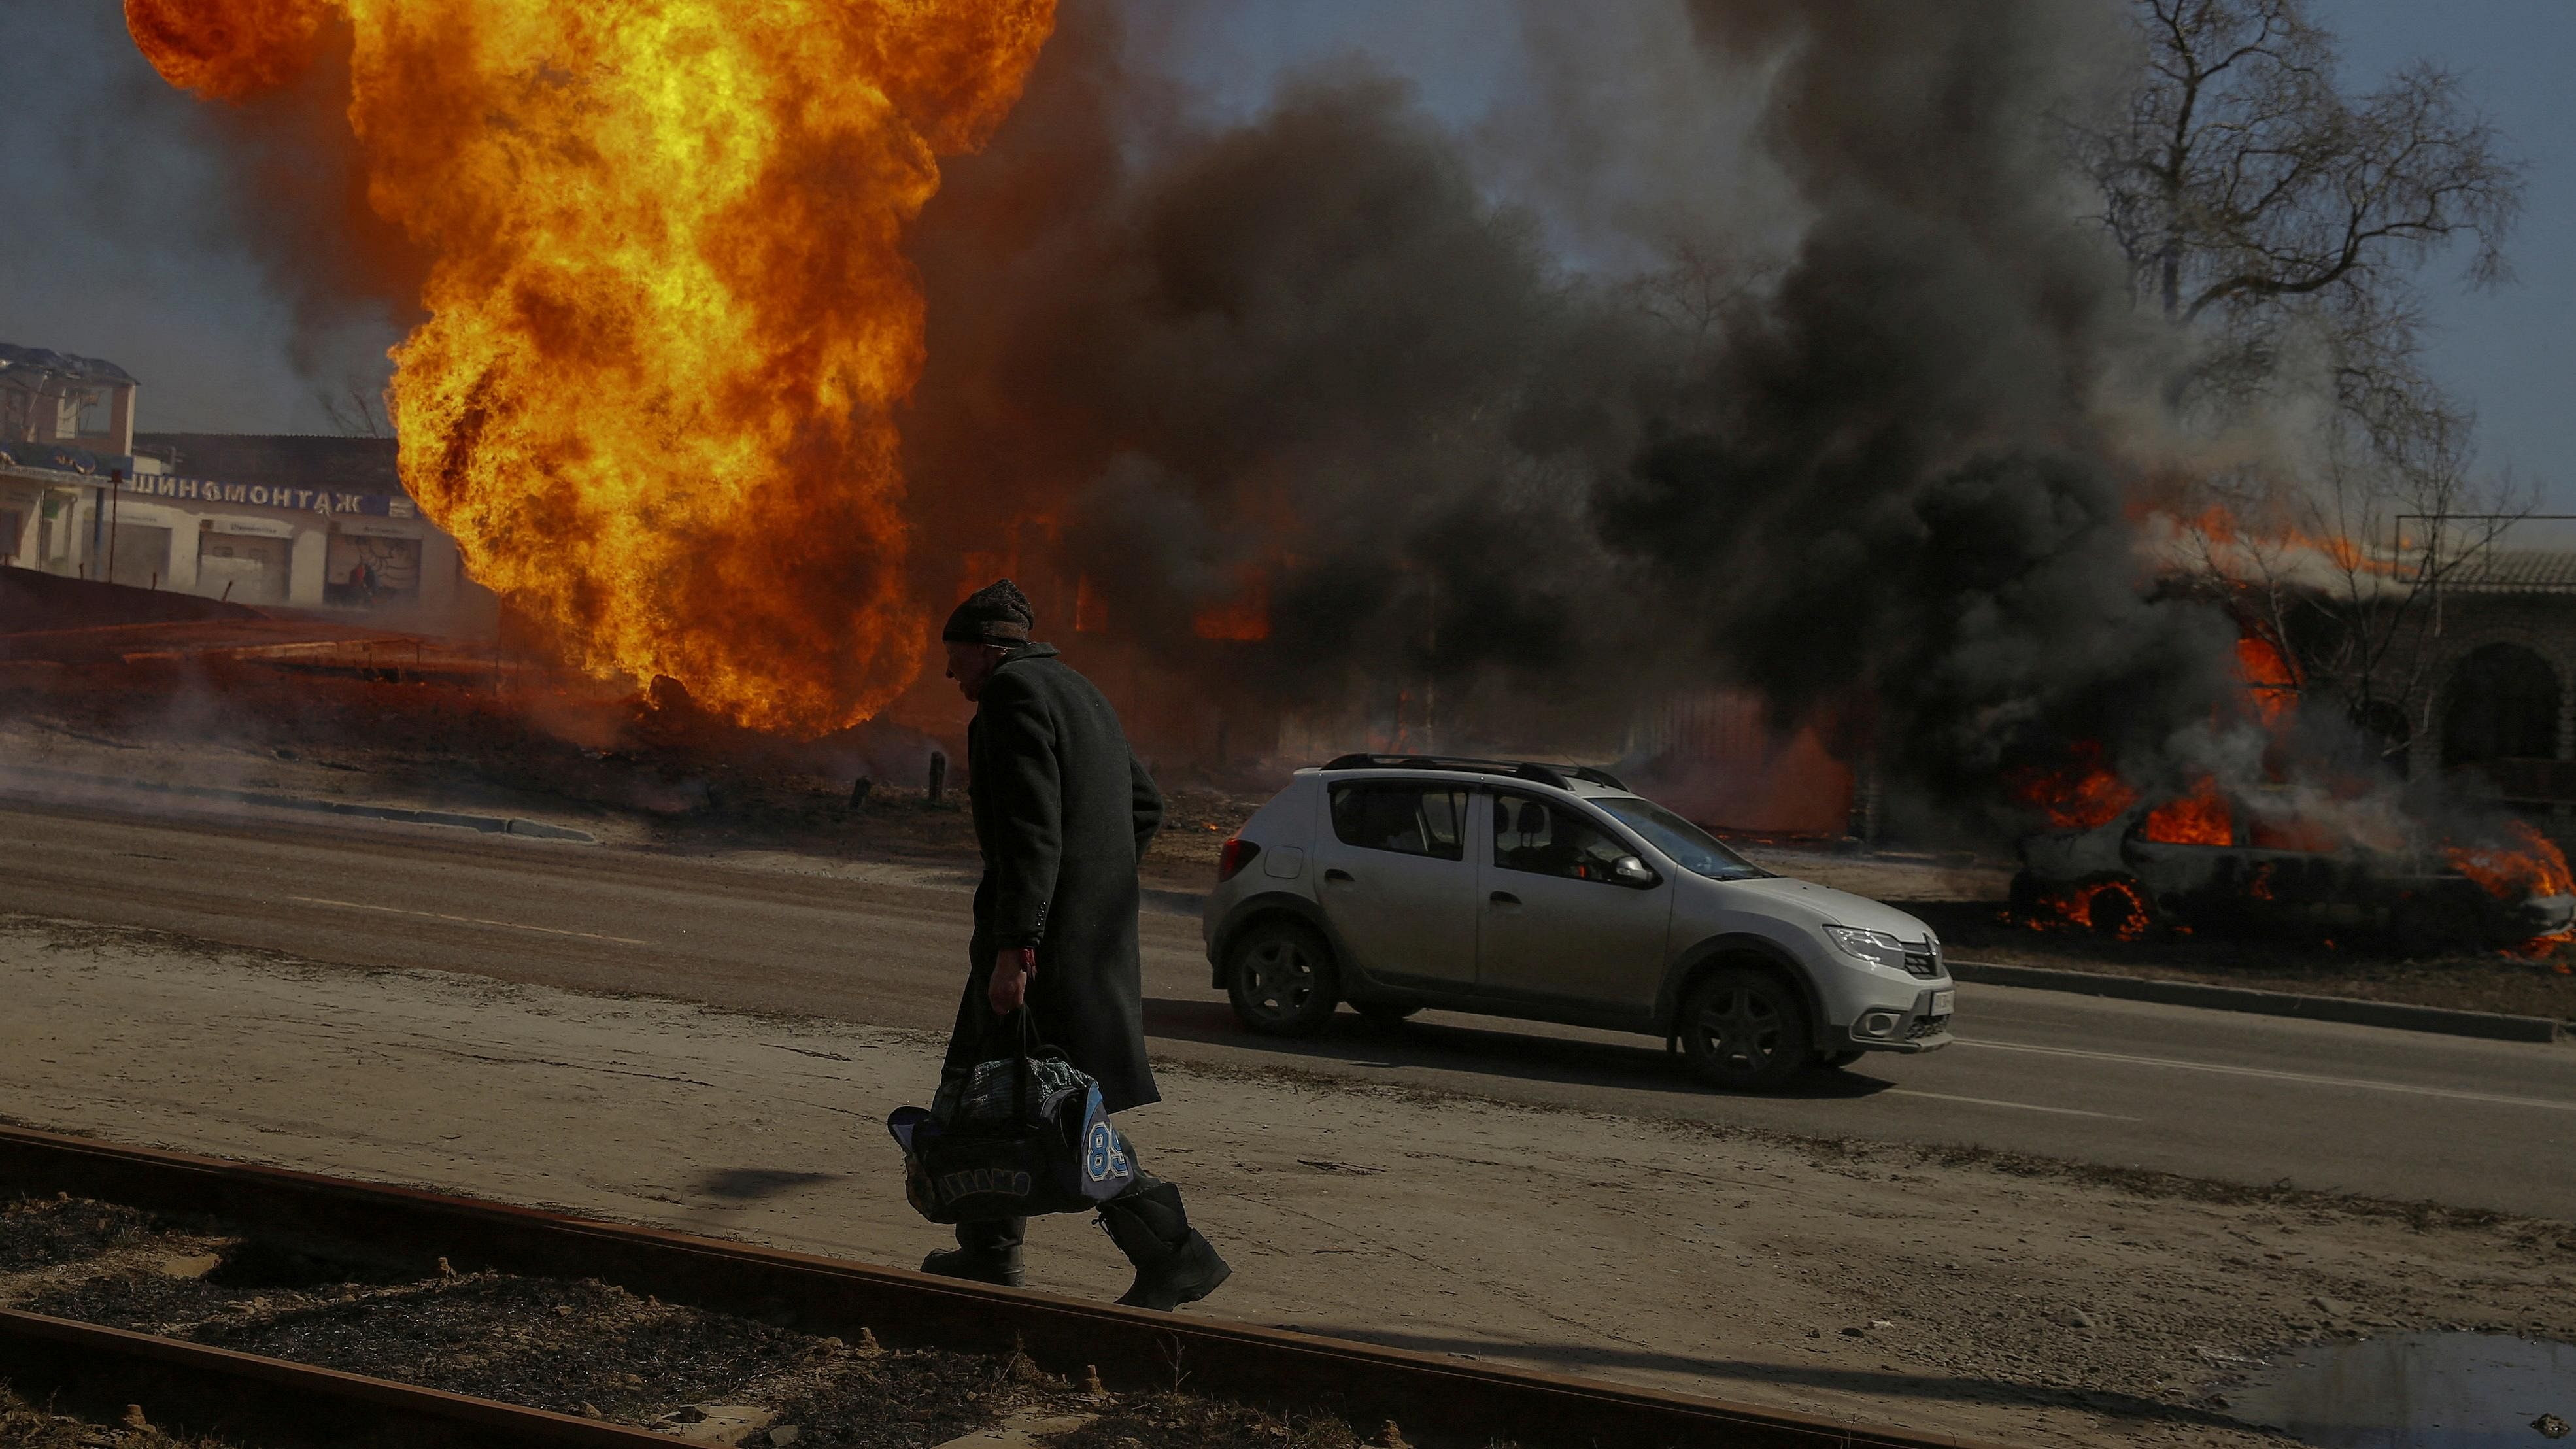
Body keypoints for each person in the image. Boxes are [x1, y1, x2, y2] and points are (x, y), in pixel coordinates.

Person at [921, 578, 1230, 1311]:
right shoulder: (1079, 690)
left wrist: (1016, 949)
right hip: (1081, 940)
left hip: (1038, 949)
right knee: (993, 1092)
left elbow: (1032, 835)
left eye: (955, 655)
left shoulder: (1011, 696)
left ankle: (1176, 1253)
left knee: (1053, 1109)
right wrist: (1100, 886)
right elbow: (1144, 805)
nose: (949, 672)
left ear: (988, 649)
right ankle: (987, 1249)